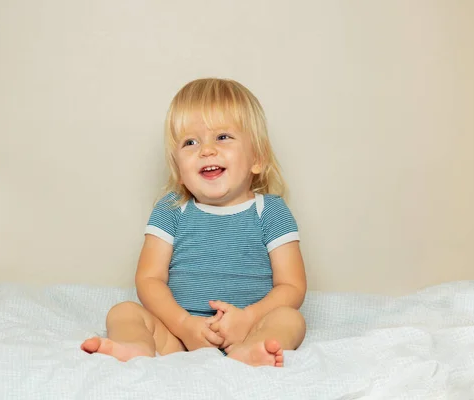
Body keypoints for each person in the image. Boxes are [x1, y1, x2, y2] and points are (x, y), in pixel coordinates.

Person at [81, 78, 307, 367]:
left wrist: (248, 318)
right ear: (178, 168)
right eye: (191, 142)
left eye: (223, 137)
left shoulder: (270, 211)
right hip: (178, 337)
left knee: (290, 319)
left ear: (257, 158)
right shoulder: (173, 209)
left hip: (248, 328)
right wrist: (184, 325)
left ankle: (251, 351)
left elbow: (292, 286)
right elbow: (149, 279)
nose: (207, 150)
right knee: (123, 312)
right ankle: (135, 347)